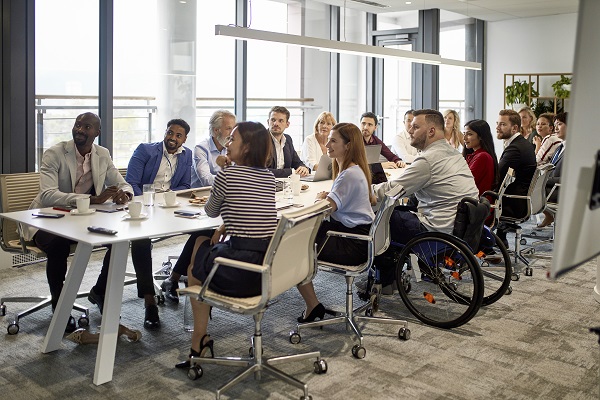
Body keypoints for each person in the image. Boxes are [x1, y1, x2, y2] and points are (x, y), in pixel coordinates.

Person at [28, 113, 158, 331]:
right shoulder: (55, 153)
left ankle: (100, 290)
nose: (80, 129)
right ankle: (59, 304)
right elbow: (48, 194)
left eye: (86, 127)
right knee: (58, 245)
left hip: (83, 220)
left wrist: (124, 194)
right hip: (48, 218)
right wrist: (91, 199)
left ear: (97, 133)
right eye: (78, 124)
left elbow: (123, 184)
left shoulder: (102, 154)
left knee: (119, 241)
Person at [175, 121, 277, 369]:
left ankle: (198, 338)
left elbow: (210, 211)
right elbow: (249, 211)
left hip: (241, 270)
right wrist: (225, 226)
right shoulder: (269, 177)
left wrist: (225, 172)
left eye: (233, 140)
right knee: (201, 241)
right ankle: (199, 339)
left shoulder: (228, 174)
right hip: (267, 268)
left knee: (194, 263)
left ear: (247, 147)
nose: (227, 144)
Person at [372, 109, 478, 285]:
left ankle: (385, 280)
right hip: (458, 225)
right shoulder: (453, 153)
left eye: (415, 127)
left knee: (380, 217)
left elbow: (391, 191)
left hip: (436, 229)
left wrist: (362, 190)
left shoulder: (428, 160)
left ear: (431, 131)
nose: (410, 131)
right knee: (398, 210)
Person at [296, 123, 376, 322]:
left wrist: (320, 200)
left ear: (347, 145)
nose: (327, 144)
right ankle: (312, 305)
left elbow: (323, 211)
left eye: (333, 140)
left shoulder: (348, 175)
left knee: (293, 248)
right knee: (301, 236)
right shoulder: (356, 170)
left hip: (350, 243)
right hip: (359, 237)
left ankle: (312, 306)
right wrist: (328, 196)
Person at [124, 119, 192, 315]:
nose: (172, 138)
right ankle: (149, 302)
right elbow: (132, 183)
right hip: (144, 206)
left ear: (184, 139)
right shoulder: (145, 150)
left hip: (169, 207)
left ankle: (174, 278)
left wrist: (166, 199)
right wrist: (147, 203)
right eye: (170, 133)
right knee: (141, 241)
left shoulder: (186, 156)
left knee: (204, 231)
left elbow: (186, 186)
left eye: (178, 135)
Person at [494, 109, 537, 246]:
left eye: (502, 124)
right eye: (497, 123)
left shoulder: (515, 149)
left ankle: (482, 245)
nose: (497, 128)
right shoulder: (523, 143)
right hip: (521, 199)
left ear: (514, 128)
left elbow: (498, 176)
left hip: (514, 203)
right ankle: (500, 237)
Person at [191, 110, 236, 187]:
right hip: (199, 195)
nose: (232, 133)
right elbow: (206, 180)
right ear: (216, 130)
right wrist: (232, 179)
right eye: (228, 128)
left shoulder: (232, 147)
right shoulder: (201, 148)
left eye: (234, 128)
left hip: (223, 192)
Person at [538, 112, 568, 228]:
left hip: (559, 190)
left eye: (559, 124)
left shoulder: (573, 149)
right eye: (555, 124)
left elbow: (568, 178)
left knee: (525, 189)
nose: (555, 128)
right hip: (551, 187)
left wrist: (544, 180)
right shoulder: (560, 147)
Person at [267, 106, 310, 178]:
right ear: (268, 122)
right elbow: (262, 171)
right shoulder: (260, 140)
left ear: (287, 124)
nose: (276, 124)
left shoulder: (288, 139)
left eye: (280, 121)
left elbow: (297, 162)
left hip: (286, 184)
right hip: (266, 184)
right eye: (273, 120)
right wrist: (291, 172)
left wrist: (303, 168)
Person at [462, 119, 499, 195]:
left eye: (469, 134)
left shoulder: (482, 157)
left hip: (477, 203)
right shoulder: (475, 155)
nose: (464, 138)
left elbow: (465, 183)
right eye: (464, 134)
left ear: (481, 136)